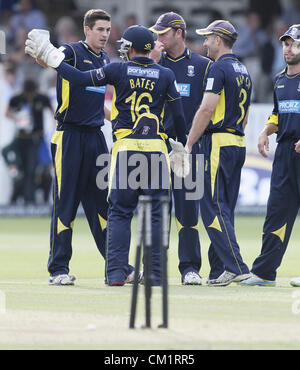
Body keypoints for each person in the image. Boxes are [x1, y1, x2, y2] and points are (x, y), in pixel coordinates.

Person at [25, 24, 187, 286]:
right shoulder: (166, 74)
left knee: (120, 212)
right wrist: (181, 145)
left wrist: (52, 58)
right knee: (157, 213)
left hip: (126, 151)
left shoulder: (117, 68)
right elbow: (178, 116)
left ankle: (115, 274)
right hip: (156, 152)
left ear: (131, 48)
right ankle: (155, 274)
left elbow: (79, 79)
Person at [27, 9, 114, 286]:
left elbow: (95, 97)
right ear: (87, 29)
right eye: (100, 29)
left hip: (96, 137)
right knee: (66, 202)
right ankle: (58, 270)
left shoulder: (105, 58)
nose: (105, 35)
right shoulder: (73, 51)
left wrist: (116, 116)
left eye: (108, 30)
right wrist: (42, 54)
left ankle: (116, 266)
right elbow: (49, 62)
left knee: (103, 205)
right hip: (69, 136)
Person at [186, 20, 252, 286]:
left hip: (219, 143)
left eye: (207, 38)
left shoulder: (218, 69)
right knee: (225, 208)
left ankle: (236, 265)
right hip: (238, 142)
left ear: (218, 39)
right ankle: (225, 266)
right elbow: (245, 118)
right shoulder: (243, 69)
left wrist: (190, 143)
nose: (204, 43)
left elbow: (206, 110)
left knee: (211, 205)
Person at [149, 12, 212, 285]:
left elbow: (210, 107)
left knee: (188, 212)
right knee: (154, 210)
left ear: (179, 33)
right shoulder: (152, 63)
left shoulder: (203, 66)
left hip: (187, 148)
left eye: (163, 33)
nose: (159, 38)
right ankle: (153, 268)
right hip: (155, 147)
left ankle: (190, 268)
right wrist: (151, 62)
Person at [239, 24, 300, 287]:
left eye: (295, 44)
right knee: (276, 213)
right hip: (286, 154)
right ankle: (264, 272)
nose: (290, 49)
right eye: (286, 44)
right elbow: (277, 113)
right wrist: (265, 130)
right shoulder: (279, 79)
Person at [5, 78, 54, 204]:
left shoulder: (42, 98)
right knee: (25, 169)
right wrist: (18, 118)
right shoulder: (17, 98)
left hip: (37, 138)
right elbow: (7, 113)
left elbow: (53, 112)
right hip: (22, 138)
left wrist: (55, 126)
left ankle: (31, 200)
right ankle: (27, 199)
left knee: (35, 168)